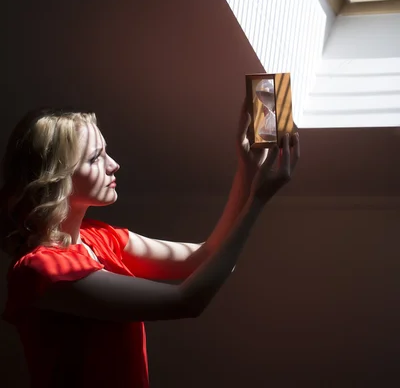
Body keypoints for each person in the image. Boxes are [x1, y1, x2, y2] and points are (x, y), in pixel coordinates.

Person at [0, 105, 299, 388]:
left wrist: (246, 171)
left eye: (106, 152)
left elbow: (207, 256)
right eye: (95, 158)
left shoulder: (100, 238)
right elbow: (187, 301)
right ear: (56, 178)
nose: (113, 164)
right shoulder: (43, 269)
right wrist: (257, 200)